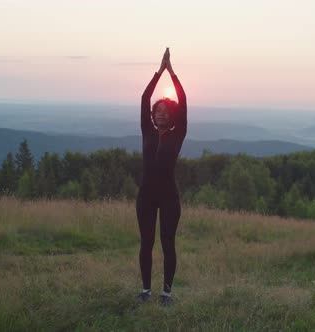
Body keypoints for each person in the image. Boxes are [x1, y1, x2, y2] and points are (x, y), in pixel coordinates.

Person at [135, 47, 187, 306]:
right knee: (146, 243)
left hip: (169, 197)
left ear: (173, 116)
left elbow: (184, 101)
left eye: (166, 110)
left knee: (168, 244)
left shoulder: (178, 134)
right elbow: (145, 97)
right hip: (145, 195)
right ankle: (145, 290)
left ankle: (166, 293)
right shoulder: (148, 131)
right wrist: (159, 70)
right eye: (158, 110)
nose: (160, 112)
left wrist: (173, 73)